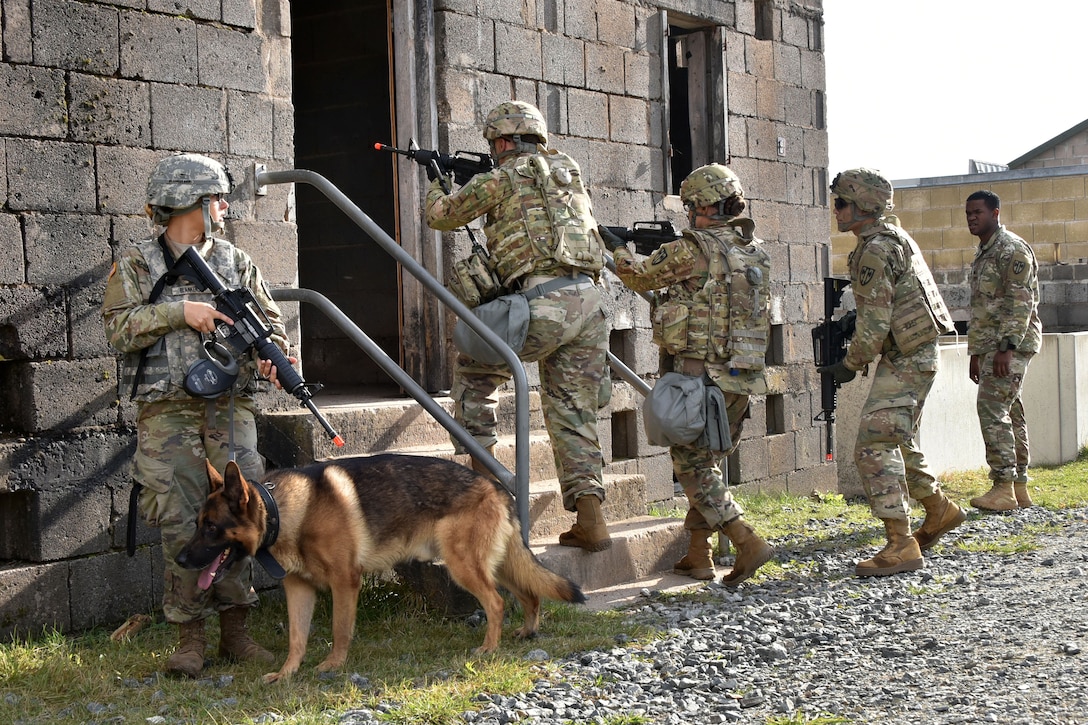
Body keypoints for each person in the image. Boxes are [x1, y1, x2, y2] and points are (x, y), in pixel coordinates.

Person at [102, 153, 291, 677]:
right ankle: (190, 638)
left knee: (240, 515)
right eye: (216, 199)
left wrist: (277, 356)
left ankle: (237, 631)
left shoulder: (235, 262)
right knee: (182, 521)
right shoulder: (139, 263)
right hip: (166, 414)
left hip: (228, 408)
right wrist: (178, 312)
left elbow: (270, 323)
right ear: (190, 202)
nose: (224, 206)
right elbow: (117, 330)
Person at [425, 100, 613, 552]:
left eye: (495, 144)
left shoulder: (504, 175)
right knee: (572, 411)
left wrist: (436, 181)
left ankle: (481, 497)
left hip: (542, 302)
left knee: (474, 369)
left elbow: (442, 216)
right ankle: (591, 519)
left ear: (505, 141)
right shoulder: (569, 173)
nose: (493, 152)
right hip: (587, 303)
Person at [602, 163, 773, 586]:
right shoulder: (754, 250)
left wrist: (618, 247)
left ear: (702, 205)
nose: (688, 216)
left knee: (692, 468)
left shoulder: (693, 249)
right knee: (707, 462)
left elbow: (638, 274)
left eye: (691, 207)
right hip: (741, 376)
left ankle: (745, 538)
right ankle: (699, 555)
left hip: (698, 379)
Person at [820, 168, 964, 577]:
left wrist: (848, 364)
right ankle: (938, 509)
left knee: (873, 444)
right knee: (895, 439)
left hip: (906, 359)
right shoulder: (894, 237)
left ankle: (901, 544)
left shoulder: (875, 248)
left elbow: (876, 326)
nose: (837, 210)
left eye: (843, 203)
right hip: (916, 355)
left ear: (864, 205)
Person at [964, 190, 1042, 511]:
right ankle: (1019, 488)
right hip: (992, 347)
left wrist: (1006, 348)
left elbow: (1020, 303)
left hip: (1012, 344)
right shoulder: (984, 252)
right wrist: (975, 352)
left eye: (977, 212)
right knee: (1010, 410)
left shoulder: (1011, 249)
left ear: (995, 213)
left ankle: (1002, 487)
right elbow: (983, 309)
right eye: (968, 213)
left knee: (991, 408)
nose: (971, 217)